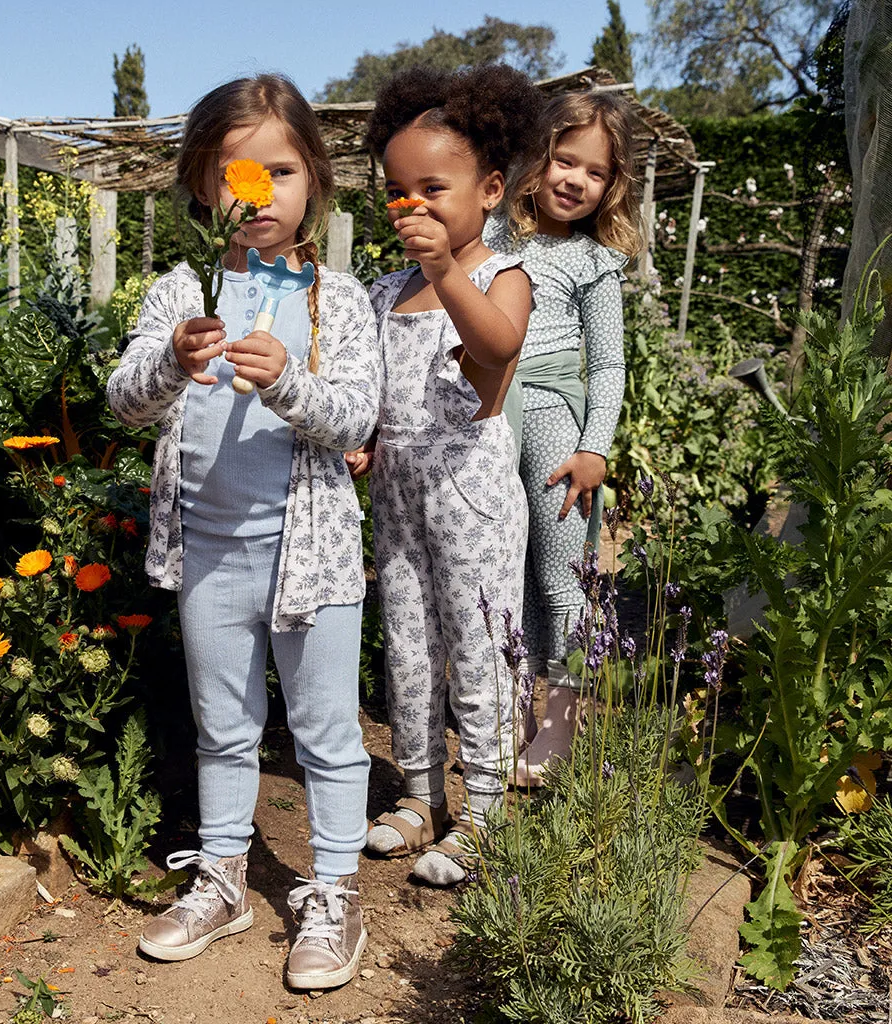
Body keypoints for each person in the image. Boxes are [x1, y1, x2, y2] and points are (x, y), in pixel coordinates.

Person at [106, 74, 379, 990]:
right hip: (211, 546)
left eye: (280, 172)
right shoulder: (180, 290)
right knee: (223, 724)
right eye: (235, 174)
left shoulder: (333, 300)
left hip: (314, 552)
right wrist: (177, 362)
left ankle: (333, 891)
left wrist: (290, 384)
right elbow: (122, 400)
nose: (256, 193)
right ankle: (223, 875)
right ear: (199, 182)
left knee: (326, 730)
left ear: (314, 184)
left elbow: (355, 419)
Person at [348, 65, 540, 886]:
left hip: (475, 498)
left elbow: (496, 349)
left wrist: (445, 274)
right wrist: (357, 440)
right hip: (396, 498)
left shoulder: (502, 278)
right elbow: (364, 391)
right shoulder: (382, 291)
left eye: (434, 187)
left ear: (489, 189)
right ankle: (423, 796)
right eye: (398, 191)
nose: (412, 206)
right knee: (411, 649)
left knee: (480, 647)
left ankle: (489, 811)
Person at [484, 91, 642, 781]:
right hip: (488, 410)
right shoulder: (492, 236)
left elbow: (608, 363)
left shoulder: (593, 262)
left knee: (561, 574)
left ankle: (561, 721)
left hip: (553, 420)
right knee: (502, 567)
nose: (575, 179)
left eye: (596, 171)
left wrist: (594, 449)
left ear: (612, 185)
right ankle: (510, 703)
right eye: (563, 159)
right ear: (535, 159)